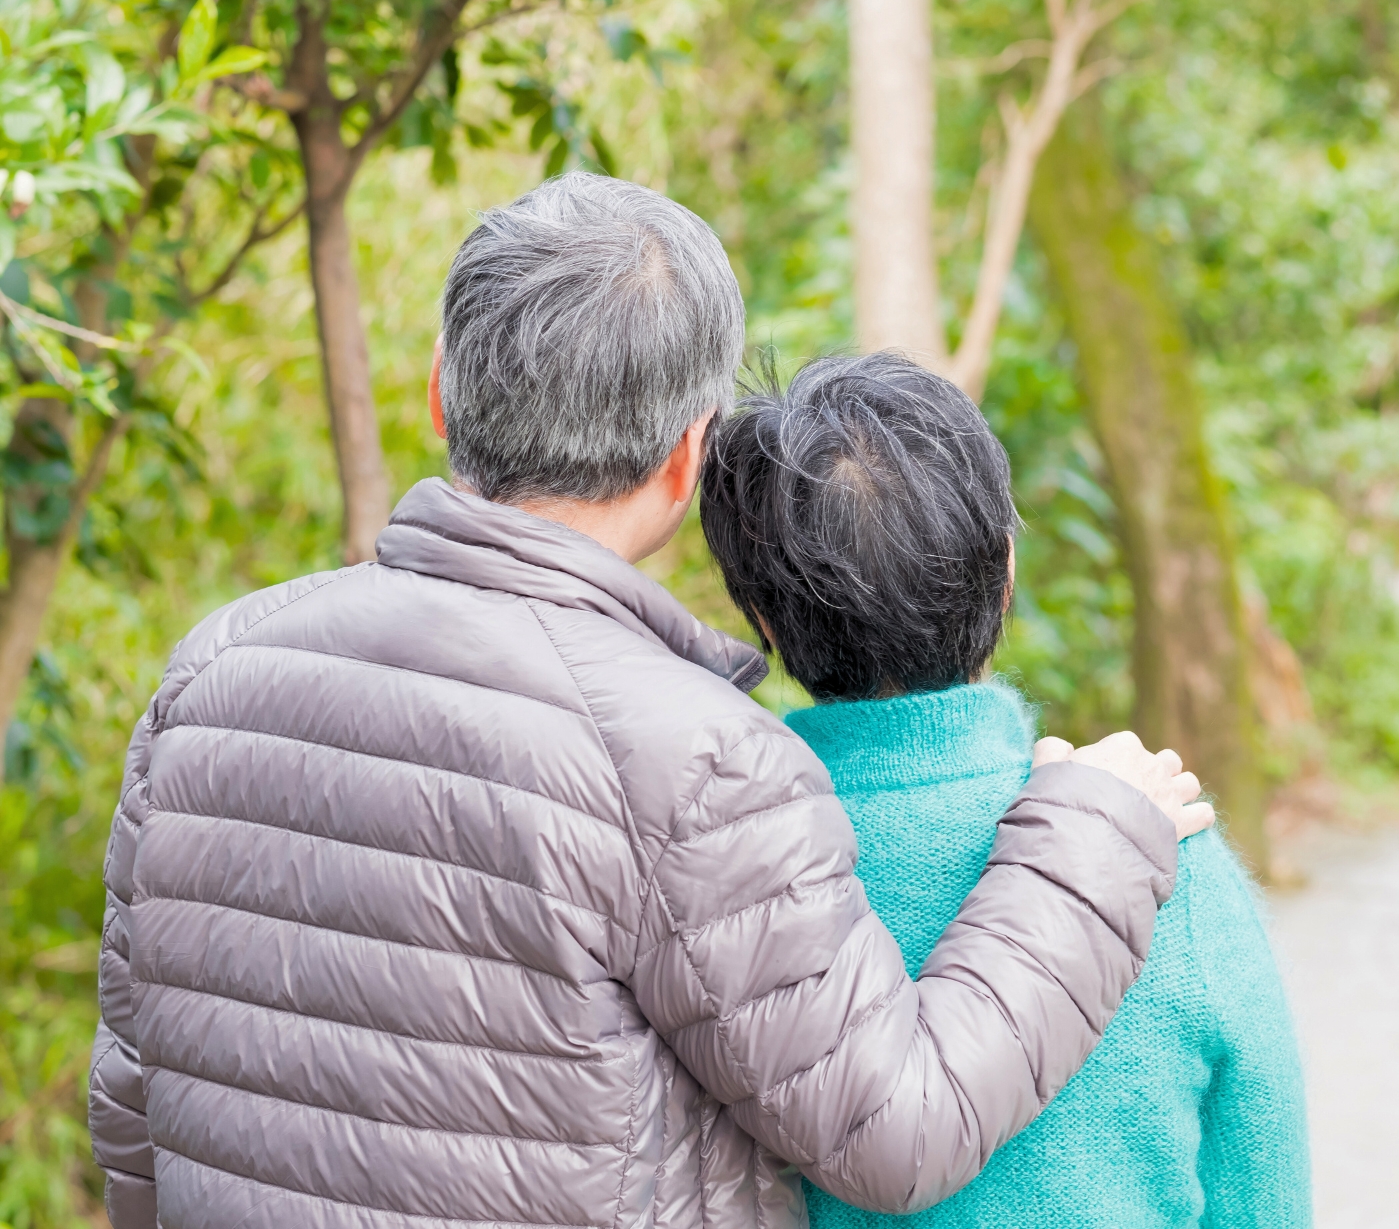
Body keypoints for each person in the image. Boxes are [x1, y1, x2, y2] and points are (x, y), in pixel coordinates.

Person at [87, 173, 1214, 1229]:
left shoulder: (212, 673)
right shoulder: (694, 758)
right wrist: (1090, 829)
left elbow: (135, 1103)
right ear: (689, 457)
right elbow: (893, 1129)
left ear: (439, 389)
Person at [701, 352, 1312, 1229]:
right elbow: (1266, 1202)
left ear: (761, 619)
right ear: (1009, 569)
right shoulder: (1173, 863)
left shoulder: (712, 877)